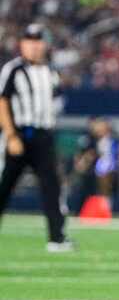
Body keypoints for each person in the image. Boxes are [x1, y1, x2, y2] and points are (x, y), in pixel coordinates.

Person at [0, 24, 71, 252]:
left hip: (43, 137)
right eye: (29, 41)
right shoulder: (13, 69)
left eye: (38, 41)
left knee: (52, 188)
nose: (34, 46)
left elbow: (56, 103)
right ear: (22, 44)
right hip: (20, 134)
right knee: (4, 187)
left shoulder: (51, 72)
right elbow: (3, 102)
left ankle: (56, 238)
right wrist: (11, 135)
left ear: (45, 45)